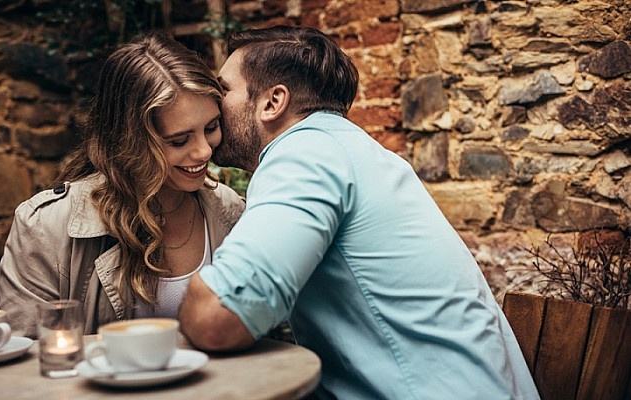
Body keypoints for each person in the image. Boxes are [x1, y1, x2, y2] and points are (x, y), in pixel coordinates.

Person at [178, 26, 540, 399]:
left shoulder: (305, 154)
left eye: (224, 89)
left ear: (273, 103)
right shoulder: (349, 148)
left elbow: (218, 319)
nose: (216, 103)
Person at [0, 31, 245, 339]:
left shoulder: (229, 211)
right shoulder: (45, 227)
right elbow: (26, 364)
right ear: (130, 141)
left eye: (211, 128)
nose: (204, 151)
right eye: (179, 140)